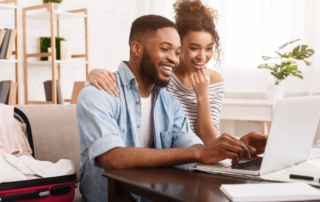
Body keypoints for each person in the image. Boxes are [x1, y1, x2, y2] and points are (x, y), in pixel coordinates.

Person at [77, 14, 267, 202]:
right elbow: (113, 159)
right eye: (165, 49)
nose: (173, 59)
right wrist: (199, 152)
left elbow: (194, 149)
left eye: (177, 52)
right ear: (136, 48)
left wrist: (236, 147)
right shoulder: (98, 93)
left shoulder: (169, 101)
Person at [88, 0, 224, 145]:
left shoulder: (214, 82)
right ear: (180, 44)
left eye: (208, 48)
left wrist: (202, 95)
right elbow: (133, 74)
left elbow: (209, 143)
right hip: (177, 157)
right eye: (194, 48)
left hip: (194, 156)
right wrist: (93, 73)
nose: (202, 56)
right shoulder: (160, 76)